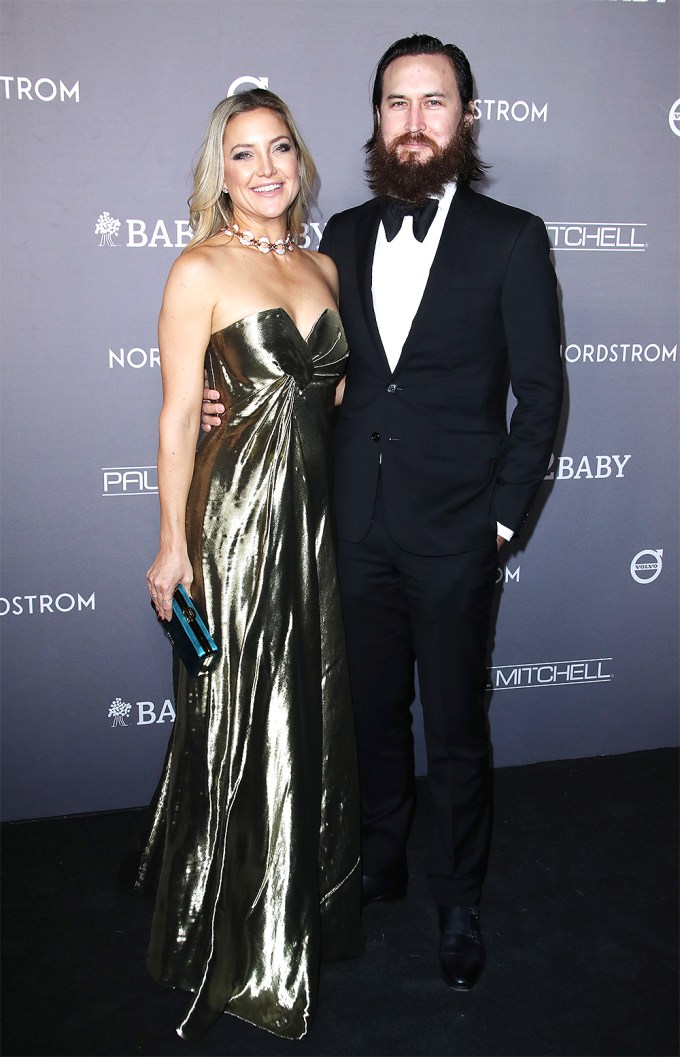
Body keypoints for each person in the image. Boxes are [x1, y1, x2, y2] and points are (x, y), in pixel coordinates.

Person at [202, 35, 564, 994]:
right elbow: (313, 371)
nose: (413, 121)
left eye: (433, 102)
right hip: (352, 523)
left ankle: (459, 899)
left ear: (466, 117)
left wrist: (498, 523)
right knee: (368, 716)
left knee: (456, 725)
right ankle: (380, 859)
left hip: (458, 532)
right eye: (396, 103)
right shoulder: (345, 238)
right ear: (376, 119)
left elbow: (541, 394)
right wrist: (226, 402)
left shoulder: (512, 237)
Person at [139, 88, 362, 1042]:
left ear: (299, 161)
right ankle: (231, 926)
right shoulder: (199, 268)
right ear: (219, 172)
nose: (265, 168)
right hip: (233, 520)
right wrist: (172, 542)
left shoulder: (323, 266)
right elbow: (177, 416)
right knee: (243, 709)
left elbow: (330, 396)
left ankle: (299, 893)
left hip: (313, 520)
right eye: (243, 154)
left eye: (279, 149)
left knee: (305, 705)